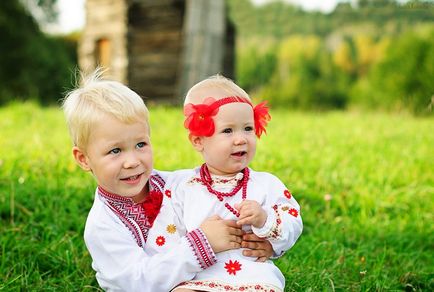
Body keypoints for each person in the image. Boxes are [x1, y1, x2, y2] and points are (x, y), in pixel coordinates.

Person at [61, 71, 273, 291]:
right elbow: (136, 282)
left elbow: (223, 206)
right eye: (115, 150)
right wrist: (201, 244)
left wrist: (259, 241)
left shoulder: (180, 184)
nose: (132, 161)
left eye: (141, 144)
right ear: (84, 159)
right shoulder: (103, 225)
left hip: (201, 280)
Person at [165, 75, 303, 291]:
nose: (241, 139)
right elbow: (169, 230)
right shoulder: (184, 186)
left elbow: (292, 220)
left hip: (252, 273)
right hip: (199, 273)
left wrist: (265, 221)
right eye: (228, 131)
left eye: (248, 128)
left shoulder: (266, 184)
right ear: (198, 141)